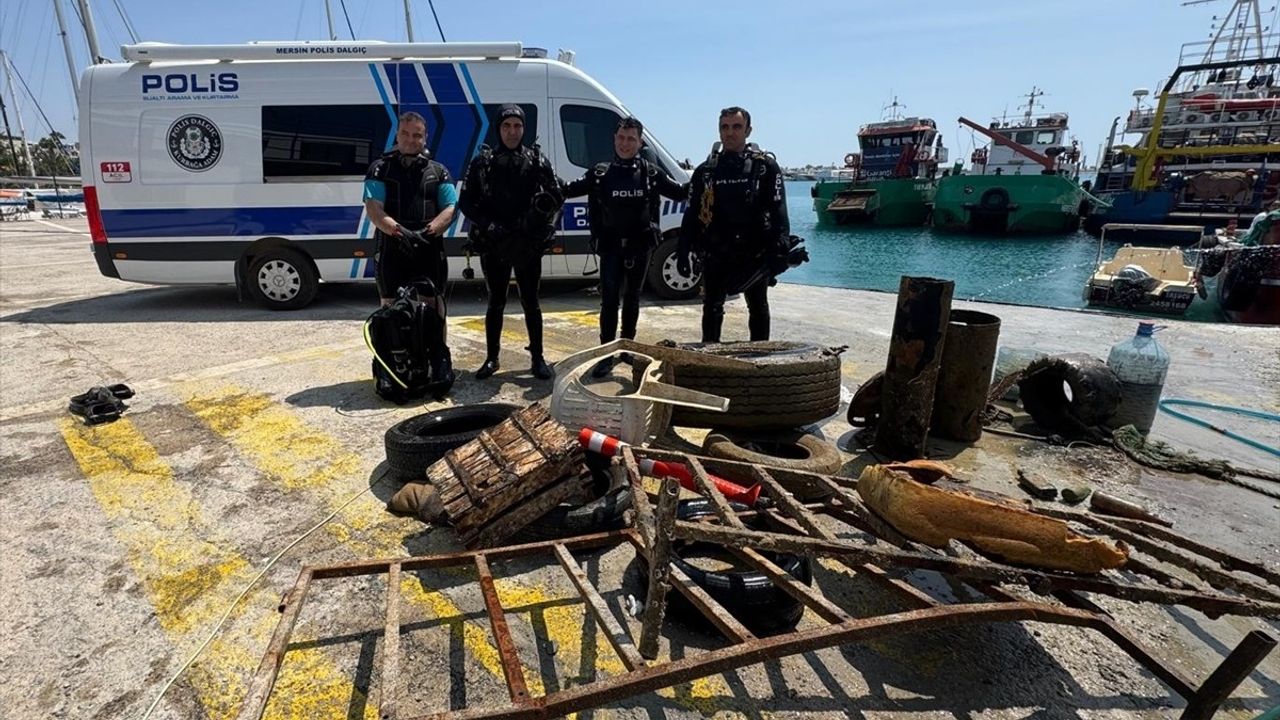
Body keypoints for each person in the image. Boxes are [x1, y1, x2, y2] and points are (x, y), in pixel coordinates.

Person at [563, 117, 687, 376]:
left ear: (640, 142)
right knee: (609, 302)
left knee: (632, 299)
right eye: (621, 137)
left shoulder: (651, 174)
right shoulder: (600, 173)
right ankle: (606, 354)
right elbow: (566, 190)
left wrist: (705, 175)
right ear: (614, 139)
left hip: (640, 248)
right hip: (610, 249)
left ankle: (627, 348)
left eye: (631, 139)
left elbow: (680, 193)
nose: (625, 143)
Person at [458, 104, 564, 380]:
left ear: (524, 128)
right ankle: (492, 358)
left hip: (527, 242)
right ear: (498, 128)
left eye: (518, 126)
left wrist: (547, 227)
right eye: (507, 126)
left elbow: (557, 196)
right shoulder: (483, 162)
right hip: (495, 241)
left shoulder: (538, 160)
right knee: (496, 302)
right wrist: (488, 225)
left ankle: (538, 358)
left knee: (531, 301)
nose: (512, 131)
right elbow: (466, 202)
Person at [678, 106, 789, 342]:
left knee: (758, 306)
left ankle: (759, 360)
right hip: (717, 252)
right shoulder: (706, 171)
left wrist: (781, 247)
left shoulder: (765, 168)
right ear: (719, 131)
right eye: (724, 127)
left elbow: (779, 210)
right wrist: (682, 250)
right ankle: (709, 360)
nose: (730, 133)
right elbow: (691, 214)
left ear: (748, 130)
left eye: (736, 127)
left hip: (755, 253)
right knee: (712, 307)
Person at [363, 111, 457, 305]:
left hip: (429, 250)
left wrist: (426, 232)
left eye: (417, 135)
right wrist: (400, 232)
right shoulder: (379, 169)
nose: (410, 140)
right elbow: (374, 209)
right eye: (405, 134)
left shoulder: (439, 171)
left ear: (425, 138)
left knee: (432, 311)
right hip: (392, 250)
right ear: (397, 135)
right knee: (390, 311)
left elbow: (450, 208)